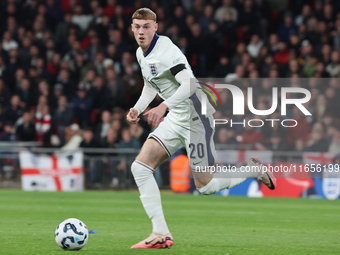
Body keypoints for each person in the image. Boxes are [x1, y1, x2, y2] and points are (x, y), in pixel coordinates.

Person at [126, 8, 276, 249]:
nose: (141, 31)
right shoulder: (141, 53)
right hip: (177, 116)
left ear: (156, 27)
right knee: (140, 168)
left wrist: (162, 107)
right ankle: (160, 233)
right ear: (132, 28)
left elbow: (190, 83)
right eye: (137, 26)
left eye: (146, 26)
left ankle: (251, 170)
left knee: (205, 187)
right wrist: (137, 108)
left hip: (197, 118)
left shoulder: (167, 52)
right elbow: (149, 85)